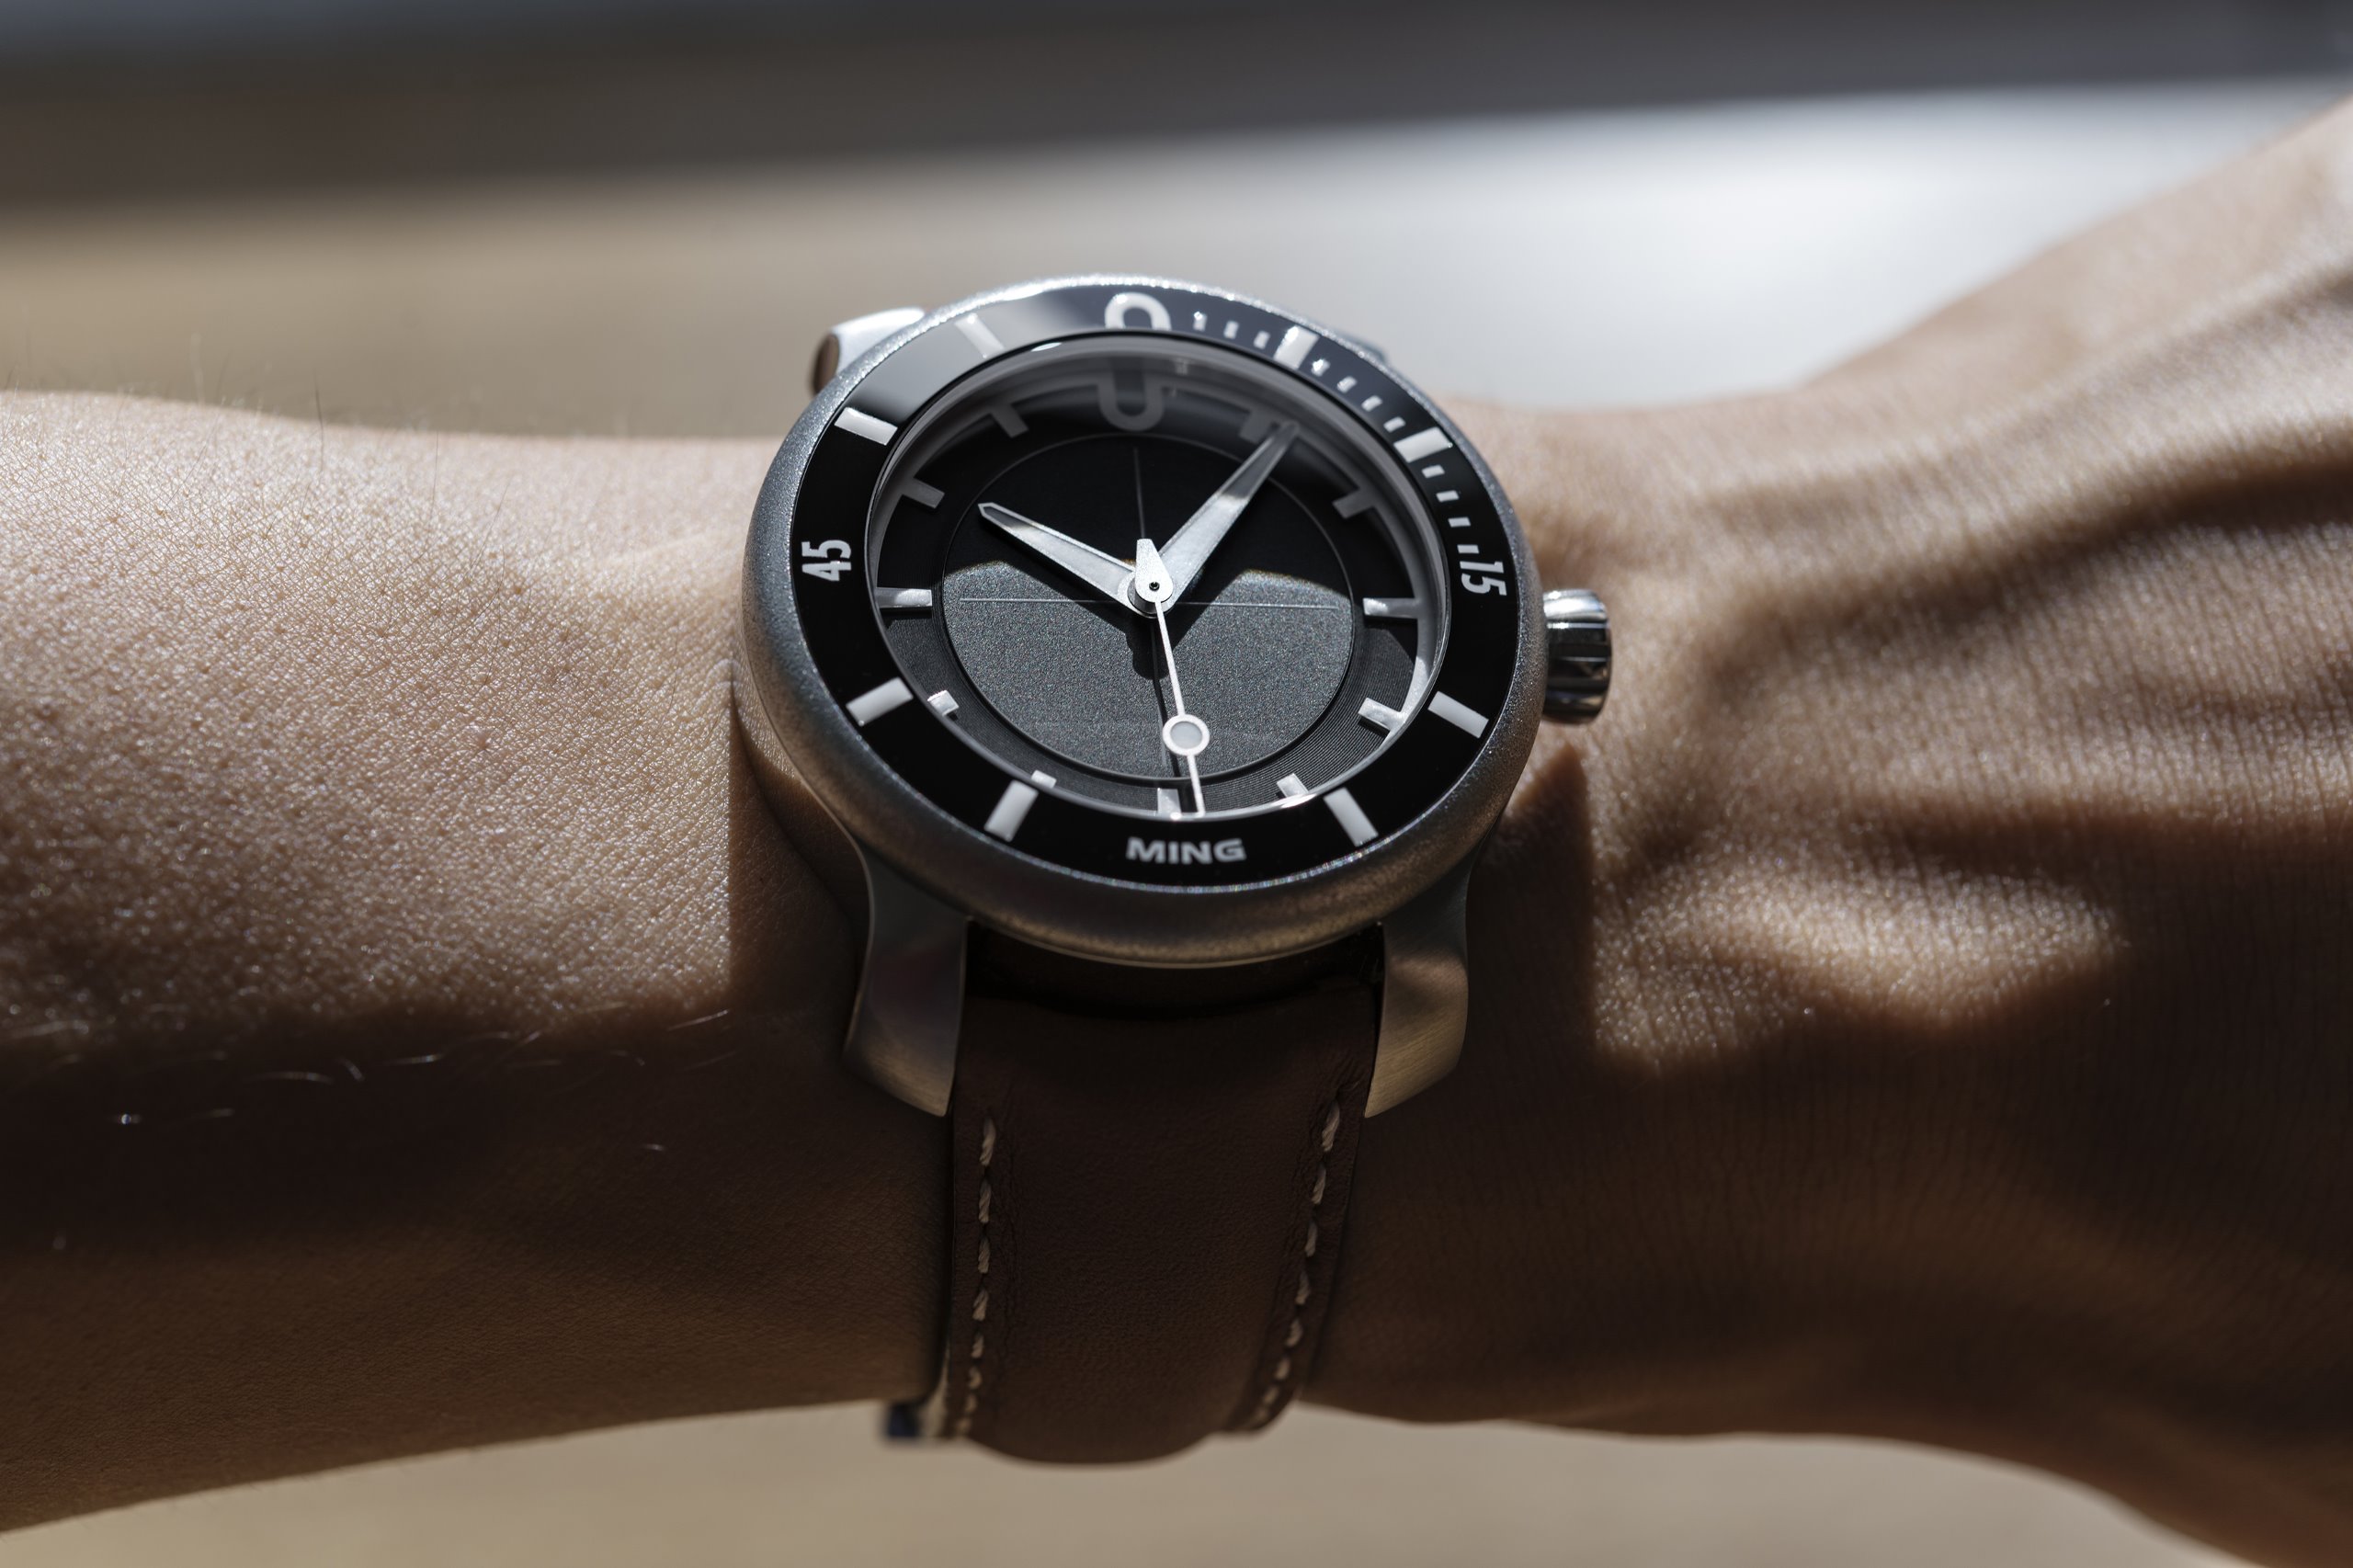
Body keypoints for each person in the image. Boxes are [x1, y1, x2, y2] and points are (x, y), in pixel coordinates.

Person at [3, 95, 2349, 1568]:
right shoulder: (948, 966)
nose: (1150, 589)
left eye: (1189, 565)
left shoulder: (1418, 867)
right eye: (1134, 567)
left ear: (1552, 662)